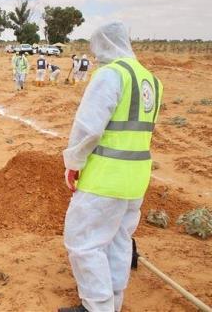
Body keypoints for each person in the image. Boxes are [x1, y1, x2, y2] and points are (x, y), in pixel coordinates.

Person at [59, 22, 163, 312]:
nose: (94, 56)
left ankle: (97, 307)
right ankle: (112, 304)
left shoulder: (110, 75)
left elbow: (88, 129)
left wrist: (73, 163)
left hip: (105, 179)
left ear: (104, 44)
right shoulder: (150, 80)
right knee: (118, 242)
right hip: (136, 179)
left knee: (83, 243)